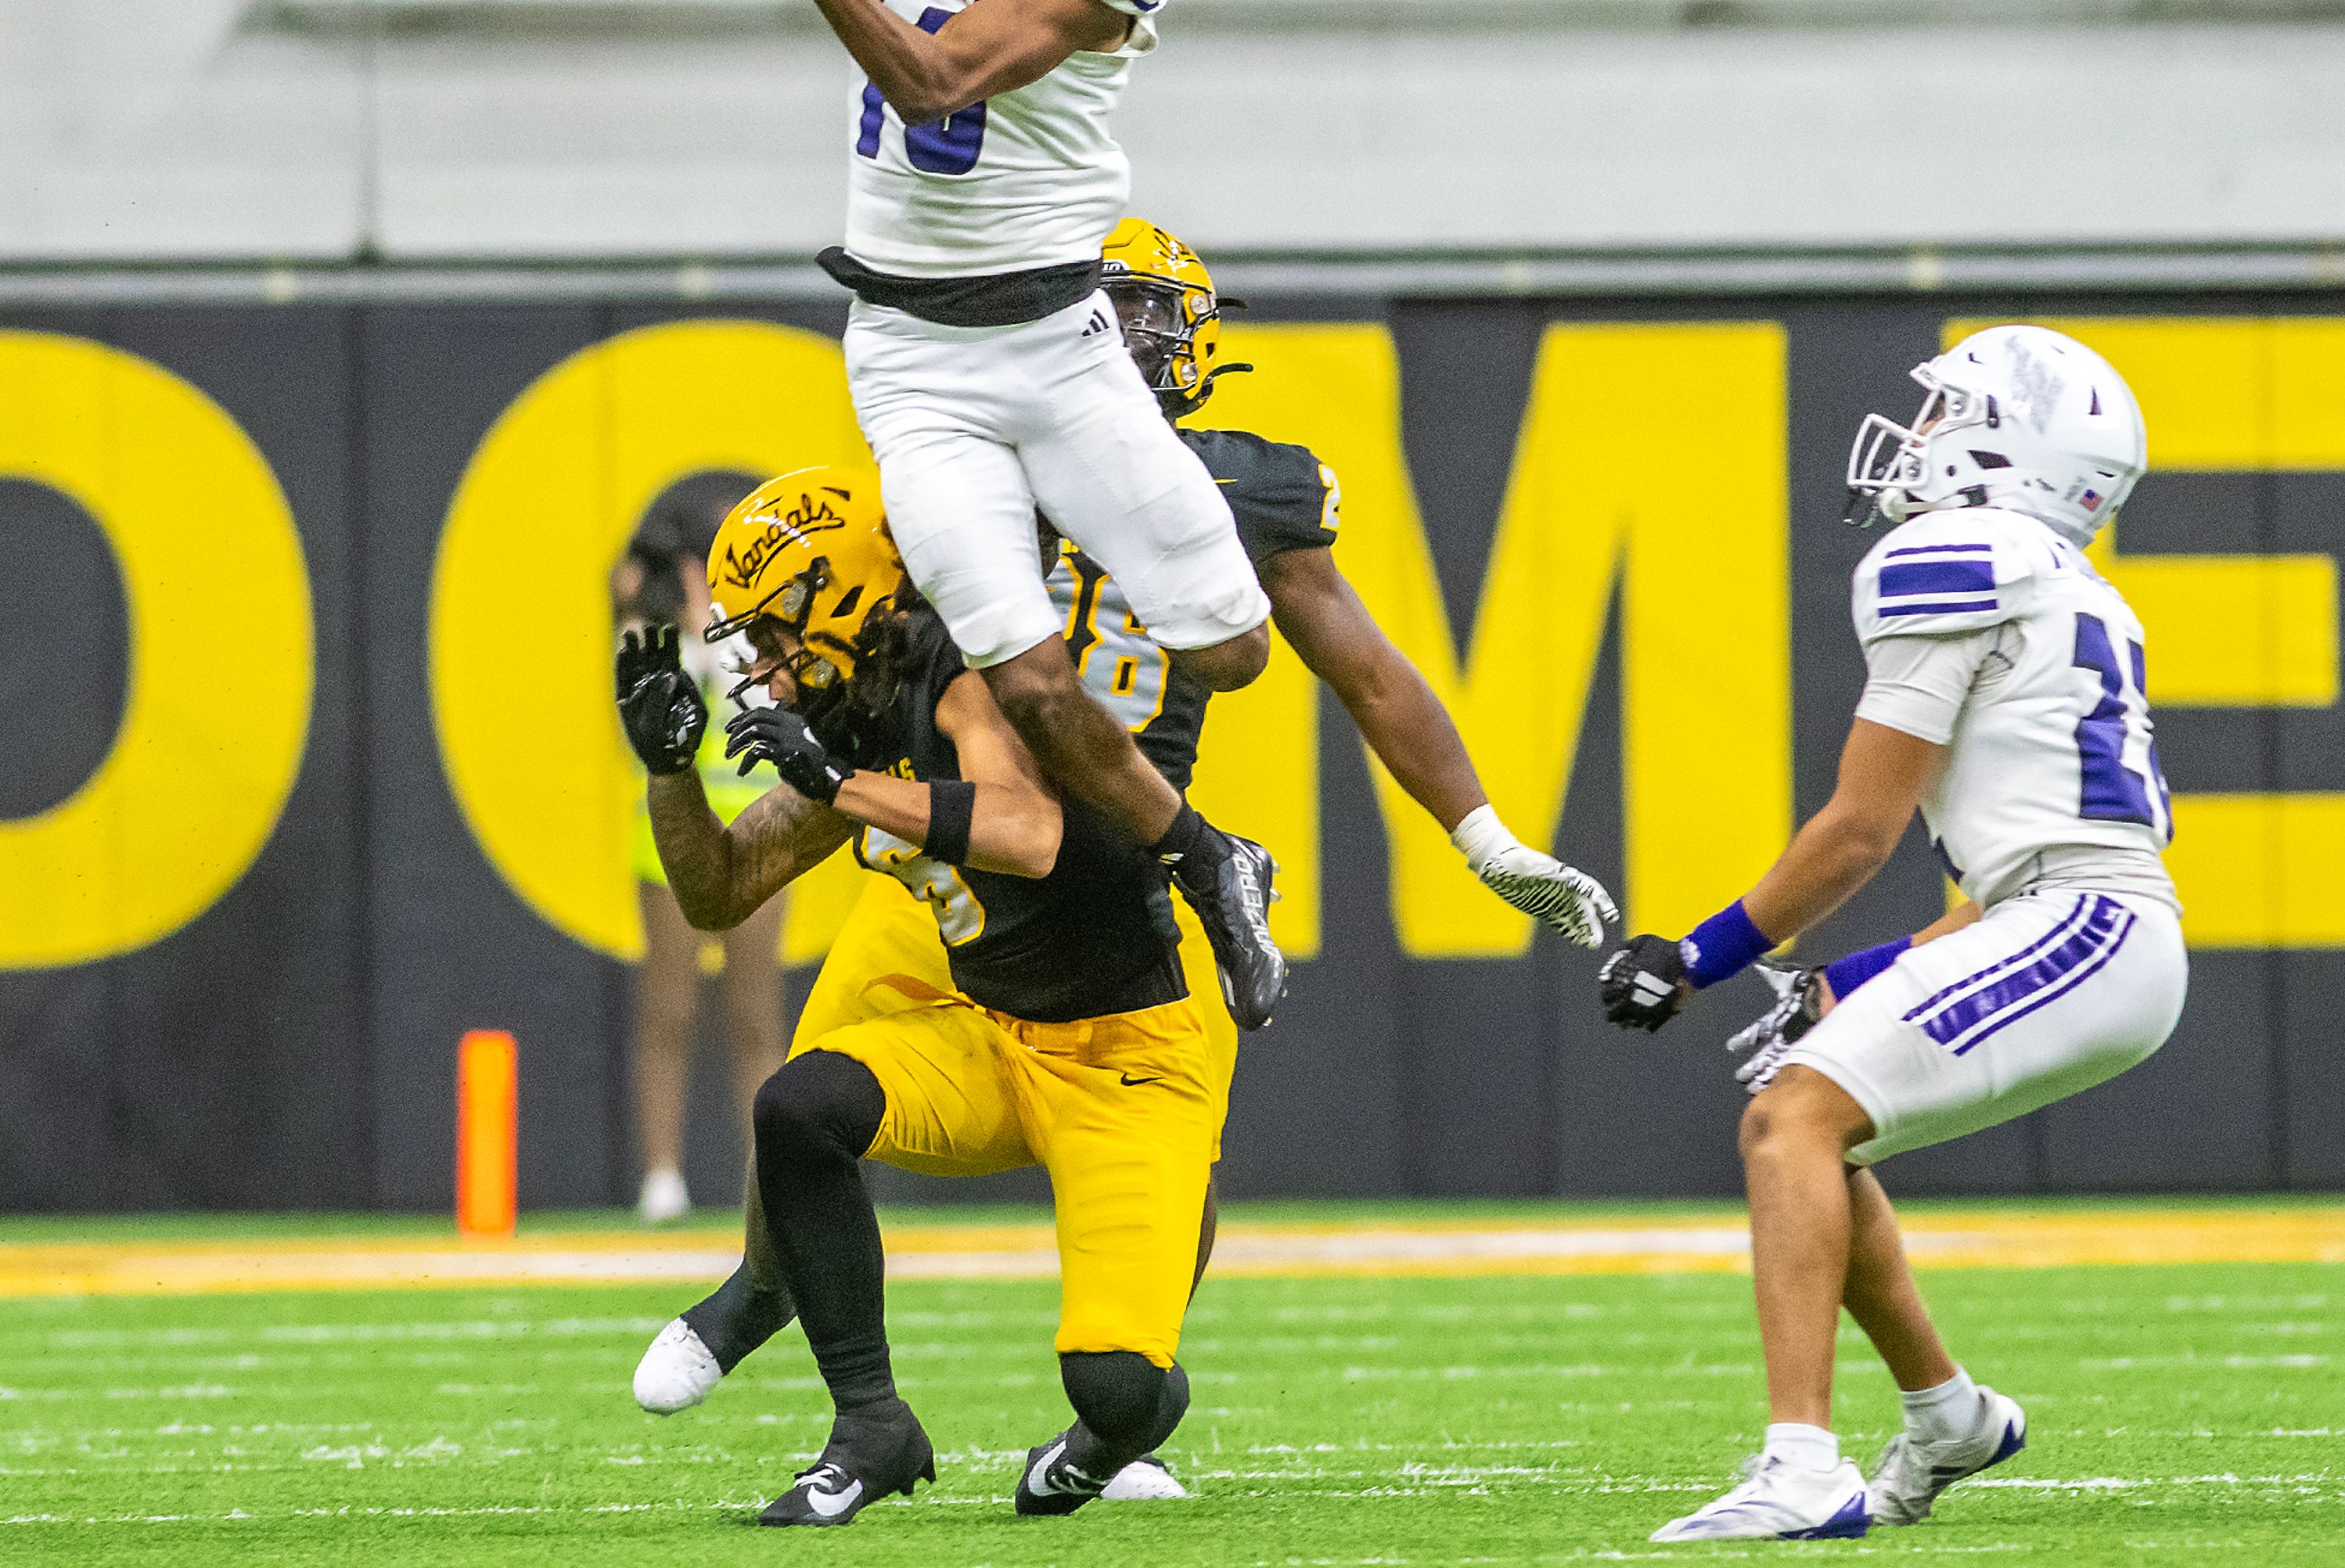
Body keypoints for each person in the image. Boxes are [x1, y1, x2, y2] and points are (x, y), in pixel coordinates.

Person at [628, 220, 1622, 1501]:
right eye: (1107, 309)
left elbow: (1369, 674)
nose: (1132, 339)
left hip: (1112, 841)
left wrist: (1480, 834)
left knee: (1168, 1127)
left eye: (1150, 314)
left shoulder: (1239, 487)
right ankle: (765, 1291)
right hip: (956, 797)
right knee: (809, 1089)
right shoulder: (972, 464)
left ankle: (1126, 1391)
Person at [635, 0, 1292, 1036]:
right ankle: (1211, 861)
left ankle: (1082, 547)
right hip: (913, 355)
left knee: (1232, 650)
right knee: (1029, 679)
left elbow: (932, 76)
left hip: (1059, 339)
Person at [1597, 325, 2188, 1542]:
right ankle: (1948, 1411)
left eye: (1943, 416)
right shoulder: (2067, 582)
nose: (1915, 441)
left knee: (1790, 1121)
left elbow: (1859, 829)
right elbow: (2007, 866)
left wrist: (1695, 955)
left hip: (2081, 919)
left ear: (2000, 447)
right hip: (2072, 917)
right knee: (1817, 1117)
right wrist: (1856, 975)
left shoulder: (1961, 553)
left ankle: (1803, 1467)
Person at [617, 465, 1223, 1526]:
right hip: (989, 1031)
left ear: (845, 596)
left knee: (1121, 1388)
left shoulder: (977, 663)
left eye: (770, 633)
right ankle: (871, 1427)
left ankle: (1103, 1443)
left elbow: (1030, 832)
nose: (758, 663)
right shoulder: (860, 709)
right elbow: (719, 889)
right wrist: (668, 771)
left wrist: (835, 783)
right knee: (801, 1105)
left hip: (1128, 1053)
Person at [615, 469, 786, 1225]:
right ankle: (662, 1176)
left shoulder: (763, 631)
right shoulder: (639, 627)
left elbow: (754, 696)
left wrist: (718, 626)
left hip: (759, 828)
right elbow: (657, 704)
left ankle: (765, 1176)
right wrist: (685, 622)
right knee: (670, 1006)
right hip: (672, 836)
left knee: (755, 1013)